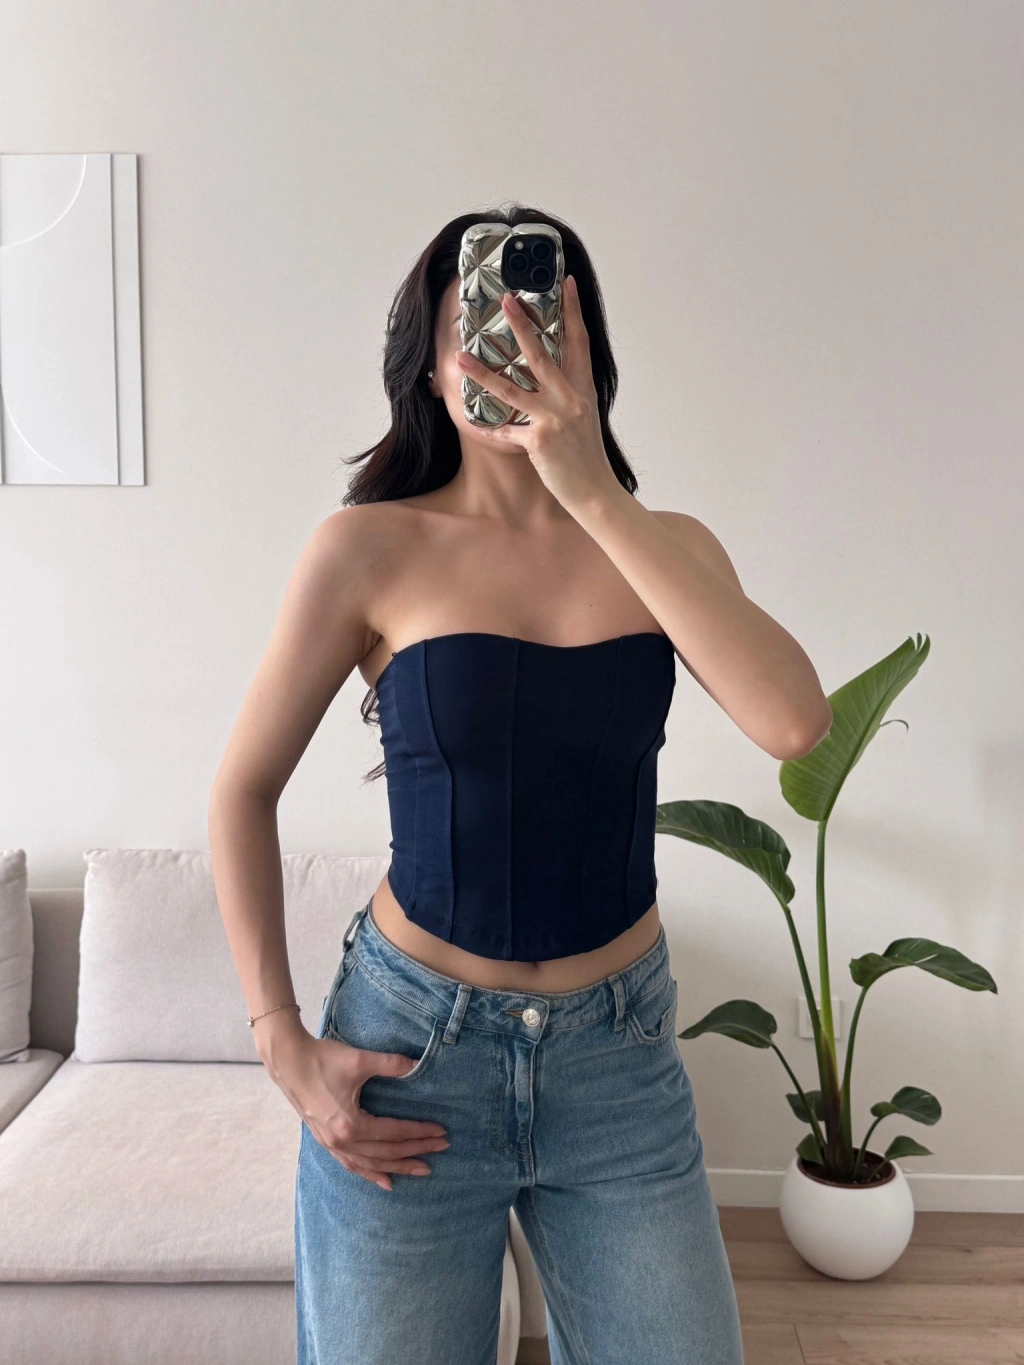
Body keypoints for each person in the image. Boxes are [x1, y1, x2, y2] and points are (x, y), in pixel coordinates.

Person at [208, 203, 832, 1365]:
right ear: (430, 366)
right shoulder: (368, 549)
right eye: (477, 330)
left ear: (587, 354)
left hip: (617, 1063)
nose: (510, 351)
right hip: (412, 1056)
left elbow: (794, 723)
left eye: (539, 323)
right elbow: (240, 790)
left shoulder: (667, 545)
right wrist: (278, 1038)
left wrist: (589, 489)